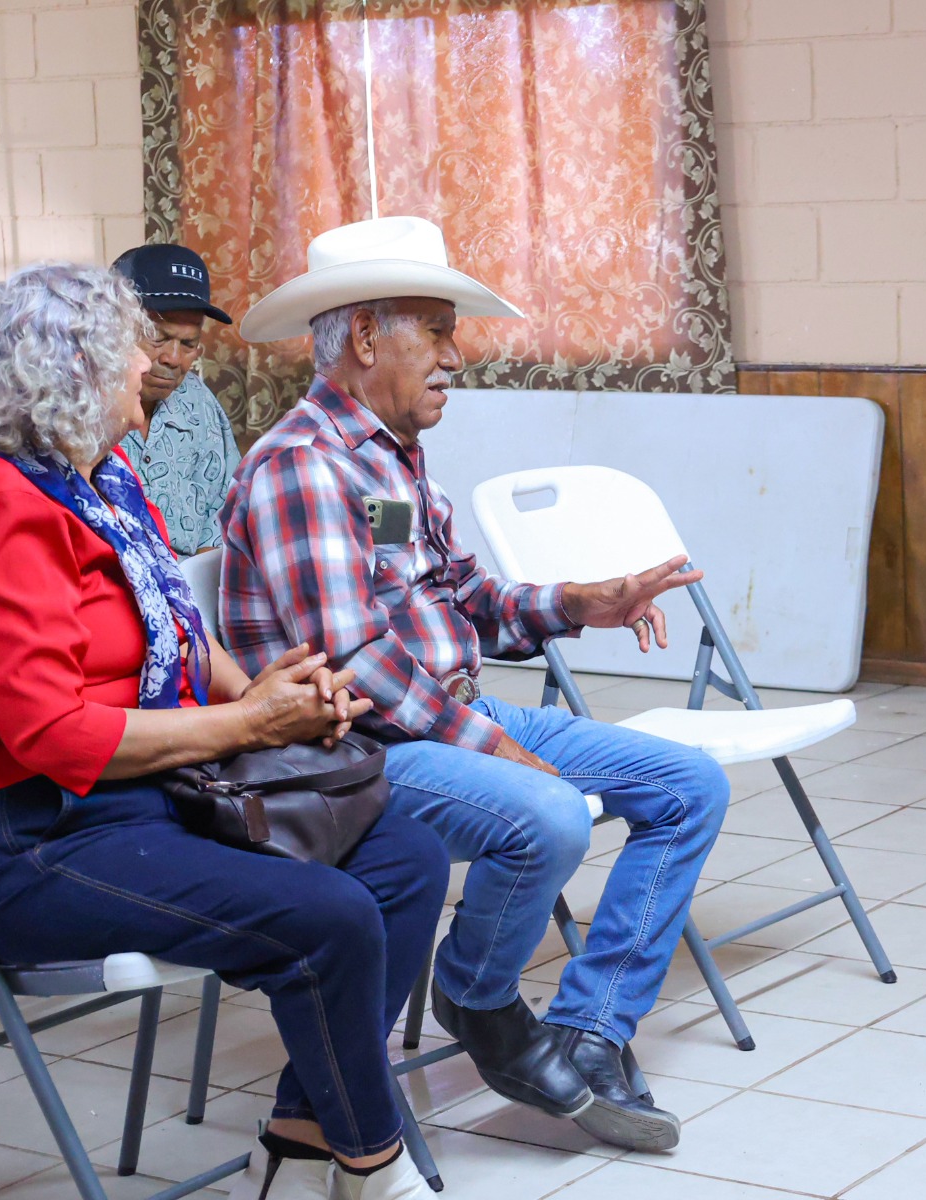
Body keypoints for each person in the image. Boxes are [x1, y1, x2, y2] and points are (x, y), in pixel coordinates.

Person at [0, 263, 451, 1200]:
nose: (152, 369)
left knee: (406, 860)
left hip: (141, 799)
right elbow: (53, 734)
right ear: (72, 372)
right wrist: (245, 722)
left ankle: (301, 1140)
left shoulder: (98, 475)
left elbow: (176, 627)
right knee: (329, 917)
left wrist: (270, 698)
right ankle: (378, 1173)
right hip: (32, 836)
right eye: (133, 350)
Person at [221, 216, 730, 1153]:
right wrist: (493, 744)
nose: (456, 356)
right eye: (437, 331)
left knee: (689, 785)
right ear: (365, 336)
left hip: (445, 717)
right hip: (355, 752)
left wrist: (577, 602)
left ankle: (588, 1034)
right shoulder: (302, 467)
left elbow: (458, 596)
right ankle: (477, 993)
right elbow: (356, 661)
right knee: (549, 816)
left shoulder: (388, 458)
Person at [112, 244, 241, 557]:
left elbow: (228, 509)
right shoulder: (81, 408)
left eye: (188, 343)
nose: (172, 358)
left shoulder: (198, 402)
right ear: (112, 326)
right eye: (157, 337)